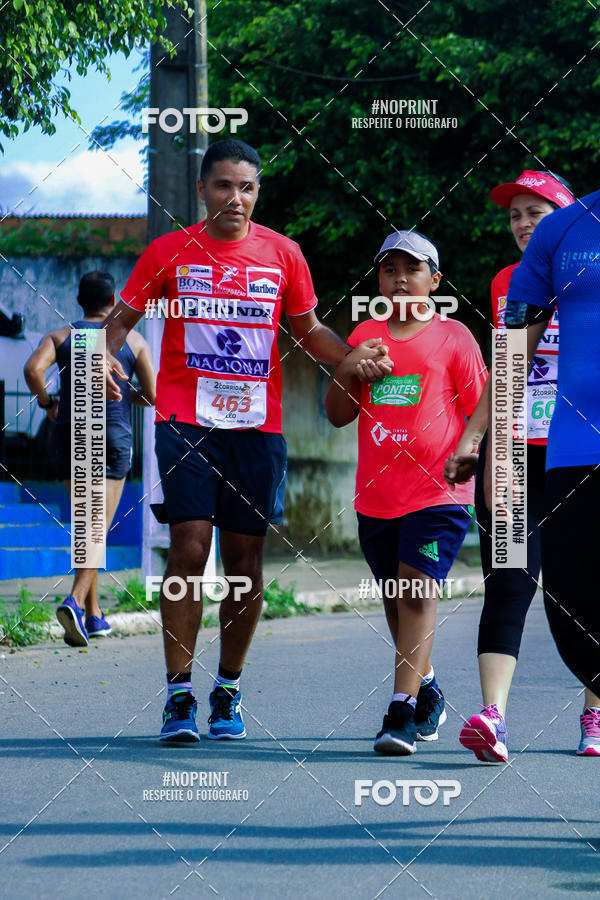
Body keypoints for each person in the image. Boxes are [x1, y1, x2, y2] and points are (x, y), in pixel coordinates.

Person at [101, 139, 391, 743]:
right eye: (224, 186)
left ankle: (228, 686)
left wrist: (353, 360)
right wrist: (101, 353)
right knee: (188, 549)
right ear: (202, 190)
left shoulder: (284, 255)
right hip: (186, 423)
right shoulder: (169, 252)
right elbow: (120, 321)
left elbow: (309, 331)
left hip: (258, 431)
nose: (236, 198)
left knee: (244, 565)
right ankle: (178, 692)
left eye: (247, 187)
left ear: (257, 193)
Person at [326, 231, 487, 755]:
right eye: (389, 270)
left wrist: (481, 463)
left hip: (439, 491)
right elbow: (336, 414)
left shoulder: (454, 337)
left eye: (412, 269)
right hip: (377, 498)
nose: (400, 279)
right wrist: (349, 367)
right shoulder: (367, 334)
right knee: (397, 601)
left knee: (417, 589)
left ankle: (398, 712)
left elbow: (481, 411)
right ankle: (428, 687)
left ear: (434, 280)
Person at [444, 170, 577, 761]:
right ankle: (492, 716)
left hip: (581, 452)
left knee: (584, 589)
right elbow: (506, 369)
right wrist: (481, 445)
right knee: (510, 579)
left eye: (537, 212)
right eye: (515, 214)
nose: (523, 223)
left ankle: (594, 714)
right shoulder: (508, 282)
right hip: (519, 453)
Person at [496, 185, 600, 756]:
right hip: (573, 450)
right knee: (570, 607)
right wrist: (485, 439)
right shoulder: (564, 230)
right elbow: (515, 343)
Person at [23, 270, 156, 646]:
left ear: (79, 302)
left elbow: (33, 370)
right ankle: (76, 601)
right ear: (114, 302)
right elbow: (153, 394)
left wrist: (48, 402)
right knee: (97, 526)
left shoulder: (61, 337)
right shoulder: (134, 340)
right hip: (113, 436)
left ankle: (94, 617)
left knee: (86, 524)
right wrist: (127, 395)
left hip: (71, 433)